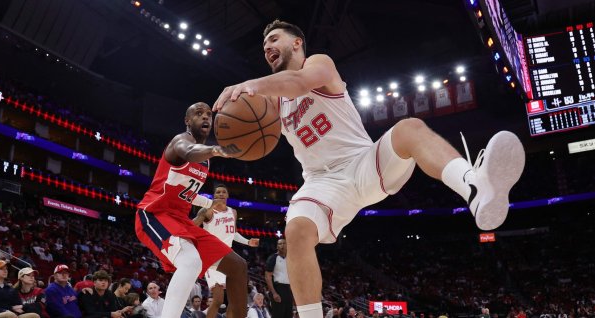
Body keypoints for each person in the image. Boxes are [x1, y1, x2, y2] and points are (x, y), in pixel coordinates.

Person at [213, 19, 525, 318]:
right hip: (323, 183)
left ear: (297, 43)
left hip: (363, 164)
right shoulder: (274, 105)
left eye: (273, 39)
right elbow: (252, 140)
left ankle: (476, 187)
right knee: (296, 231)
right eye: (264, 43)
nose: (266, 46)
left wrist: (250, 85)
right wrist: (217, 146)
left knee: (409, 128)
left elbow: (298, 83)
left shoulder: (318, 64)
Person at [135, 102, 248, 318]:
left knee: (238, 266)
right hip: (154, 213)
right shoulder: (180, 142)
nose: (206, 117)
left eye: (209, 114)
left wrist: (208, 204)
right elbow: (188, 151)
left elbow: (184, 191)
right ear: (188, 121)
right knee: (191, 261)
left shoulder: (204, 162)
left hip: (181, 219)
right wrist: (216, 149)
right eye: (199, 114)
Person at [193, 183, 260, 318]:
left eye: (223, 192)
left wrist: (248, 242)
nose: (221, 194)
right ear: (214, 196)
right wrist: (203, 211)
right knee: (218, 300)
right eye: (218, 193)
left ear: (227, 195)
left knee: (233, 301)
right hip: (212, 256)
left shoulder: (233, 211)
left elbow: (233, 233)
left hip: (228, 257)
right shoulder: (208, 210)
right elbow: (193, 225)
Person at [265, 239, 292, 318]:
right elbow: (267, 276)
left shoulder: (290, 259)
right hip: (278, 288)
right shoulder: (273, 258)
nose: (282, 245)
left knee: (288, 314)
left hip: (288, 289)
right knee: (278, 315)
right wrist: (274, 293)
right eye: (280, 244)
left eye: (284, 243)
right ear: (277, 246)